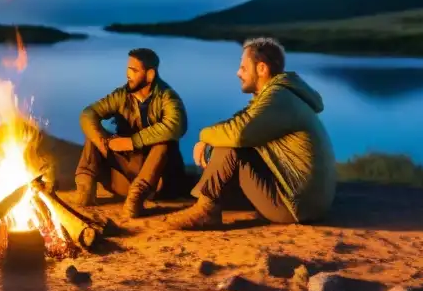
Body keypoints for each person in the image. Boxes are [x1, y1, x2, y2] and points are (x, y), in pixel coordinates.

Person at [167, 37, 336, 230]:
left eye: (244, 68)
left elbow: (238, 133)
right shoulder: (279, 95)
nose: (238, 73)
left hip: (295, 205)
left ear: (262, 69)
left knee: (232, 145)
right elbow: (241, 121)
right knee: (229, 141)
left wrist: (203, 136)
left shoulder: (278, 97)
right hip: (307, 202)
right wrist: (208, 140)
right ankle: (205, 200)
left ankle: (206, 210)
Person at [75, 48, 188, 218]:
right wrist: (104, 143)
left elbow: (176, 125)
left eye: (134, 70)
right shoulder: (122, 95)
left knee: (165, 142)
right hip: (124, 176)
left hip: (156, 182)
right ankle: (85, 188)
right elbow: (88, 113)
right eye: (128, 68)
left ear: (150, 75)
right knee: (94, 132)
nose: (128, 74)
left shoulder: (167, 97)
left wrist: (132, 141)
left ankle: (136, 198)